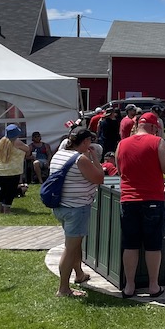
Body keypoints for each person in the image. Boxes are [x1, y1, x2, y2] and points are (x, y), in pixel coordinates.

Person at [116, 112, 165, 299]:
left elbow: (119, 168)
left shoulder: (122, 144)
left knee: (130, 244)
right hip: (152, 200)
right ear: (155, 126)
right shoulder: (157, 142)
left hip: (128, 199)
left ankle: (129, 286)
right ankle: (153, 285)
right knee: (153, 245)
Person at [48, 127, 104, 297]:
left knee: (75, 243)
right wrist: (94, 157)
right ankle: (63, 289)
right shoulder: (80, 159)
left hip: (60, 206)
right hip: (76, 209)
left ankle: (79, 274)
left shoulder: (58, 154)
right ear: (86, 142)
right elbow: (99, 177)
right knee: (70, 248)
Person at [0, 124, 29, 214]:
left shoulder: (2, 141)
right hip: (12, 170)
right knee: (10, 191)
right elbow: (27, 149)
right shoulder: (17, 142)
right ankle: (7, 210)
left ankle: (1, 209)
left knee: (3, 189)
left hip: (0, 170)